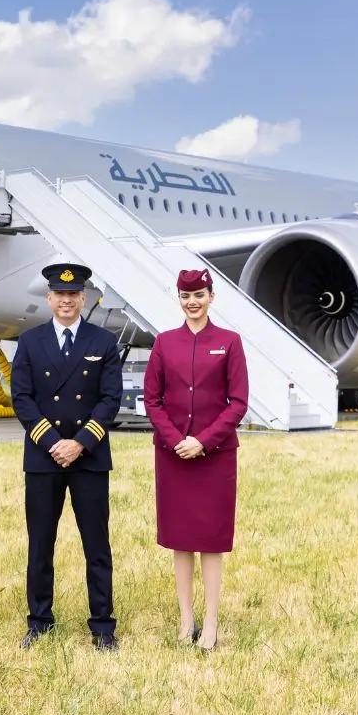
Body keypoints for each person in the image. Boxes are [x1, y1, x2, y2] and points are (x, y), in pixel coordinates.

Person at [10, 263, 124, 651]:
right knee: (40, 544)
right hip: (44, 458)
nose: (66, 300)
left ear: (84, 298)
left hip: (89, 457)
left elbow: (110, 400)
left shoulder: (103, 342)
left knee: (97, 546)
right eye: (59, 294)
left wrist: (79, 443)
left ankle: (103, 626)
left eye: (73, 294)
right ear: (49, 298)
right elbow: (22, 399)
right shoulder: (29, 341)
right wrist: (53, 442)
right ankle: (39, 620)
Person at [142, 268, 249, 653]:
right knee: (181, 540)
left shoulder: (229, 342)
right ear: (179, 299)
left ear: (211, 297)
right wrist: (176, 442)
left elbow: (238, 402)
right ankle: (186, 620)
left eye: (199, 295)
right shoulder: (164, 343)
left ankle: (213, 622)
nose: (193, 302)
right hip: (173, 457)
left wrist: (202, 442)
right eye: (186, 296)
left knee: (211, 541)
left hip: (215, 456)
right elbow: (152, 399)